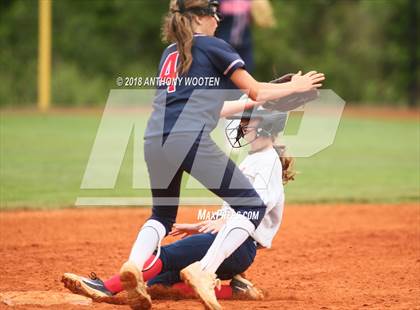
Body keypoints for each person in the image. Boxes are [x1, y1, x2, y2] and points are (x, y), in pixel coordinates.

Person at [68, 0, 324, 308]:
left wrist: (254, 101)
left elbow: (217, 106)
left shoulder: (171, 53)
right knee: (250, 205)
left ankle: (133, 268)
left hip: (154, 139)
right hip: (187, 138)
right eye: (214, 14)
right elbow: (257, 91)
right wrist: (295, 87)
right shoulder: (215, 47)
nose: (218, 20)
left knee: (161, 216)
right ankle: (204, 272)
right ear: (200, 17)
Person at [62, 106, 295, 306]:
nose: (243, 125)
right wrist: (198, 226)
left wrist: (225, 222)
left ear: (266, 126)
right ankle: (235, 291)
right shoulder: (254, 158)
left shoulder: (267, 161)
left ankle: (106, 287)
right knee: (157, 283)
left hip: (238, 247)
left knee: (166, 254)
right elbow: (239, 209)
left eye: (249, 121)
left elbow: (258, 206)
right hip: (234, 247)